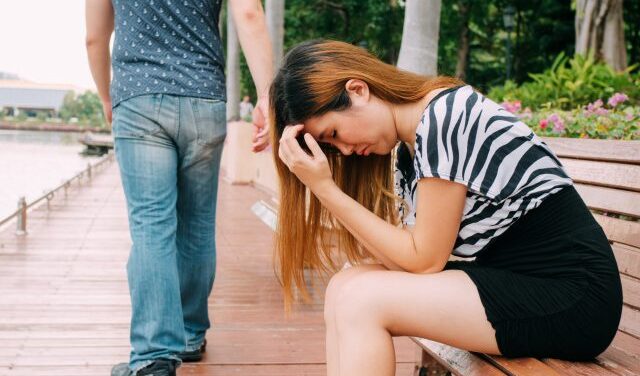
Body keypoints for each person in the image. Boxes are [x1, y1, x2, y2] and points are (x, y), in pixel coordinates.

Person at [269, 40, 622, 376]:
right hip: (520, 283)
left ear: (358, 90)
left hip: (572, 295)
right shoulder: (410, 148)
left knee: (362, 300)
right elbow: (409, 260)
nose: (343, 151)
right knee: (345, 285)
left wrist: (325, 189)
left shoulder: (443, 119)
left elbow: (424, 261)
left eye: (333, 133)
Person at [85, 1, 272, 375]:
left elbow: (94, 38)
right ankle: (188, 335)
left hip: (137, 99)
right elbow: (249, 14)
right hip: (204, 96)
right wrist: (268, 96)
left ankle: (155, 354)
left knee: (152, 227)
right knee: (197, 226)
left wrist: (107, 96)